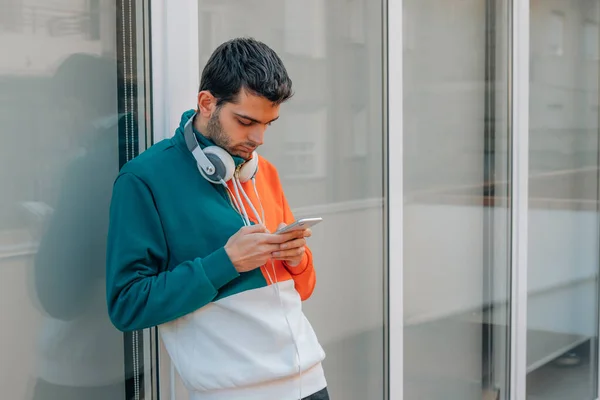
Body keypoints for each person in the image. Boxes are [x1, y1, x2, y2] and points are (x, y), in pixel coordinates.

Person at [106, 38, 329, 400]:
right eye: (245, 121)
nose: (258, 138)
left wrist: (297, 259)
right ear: (207, 103)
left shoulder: (263, 172)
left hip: (311, 382)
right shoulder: (144, 179)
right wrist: (224, 263)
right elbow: (127, 305)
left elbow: (302, 289)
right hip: (231, 393)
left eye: (268, 124)